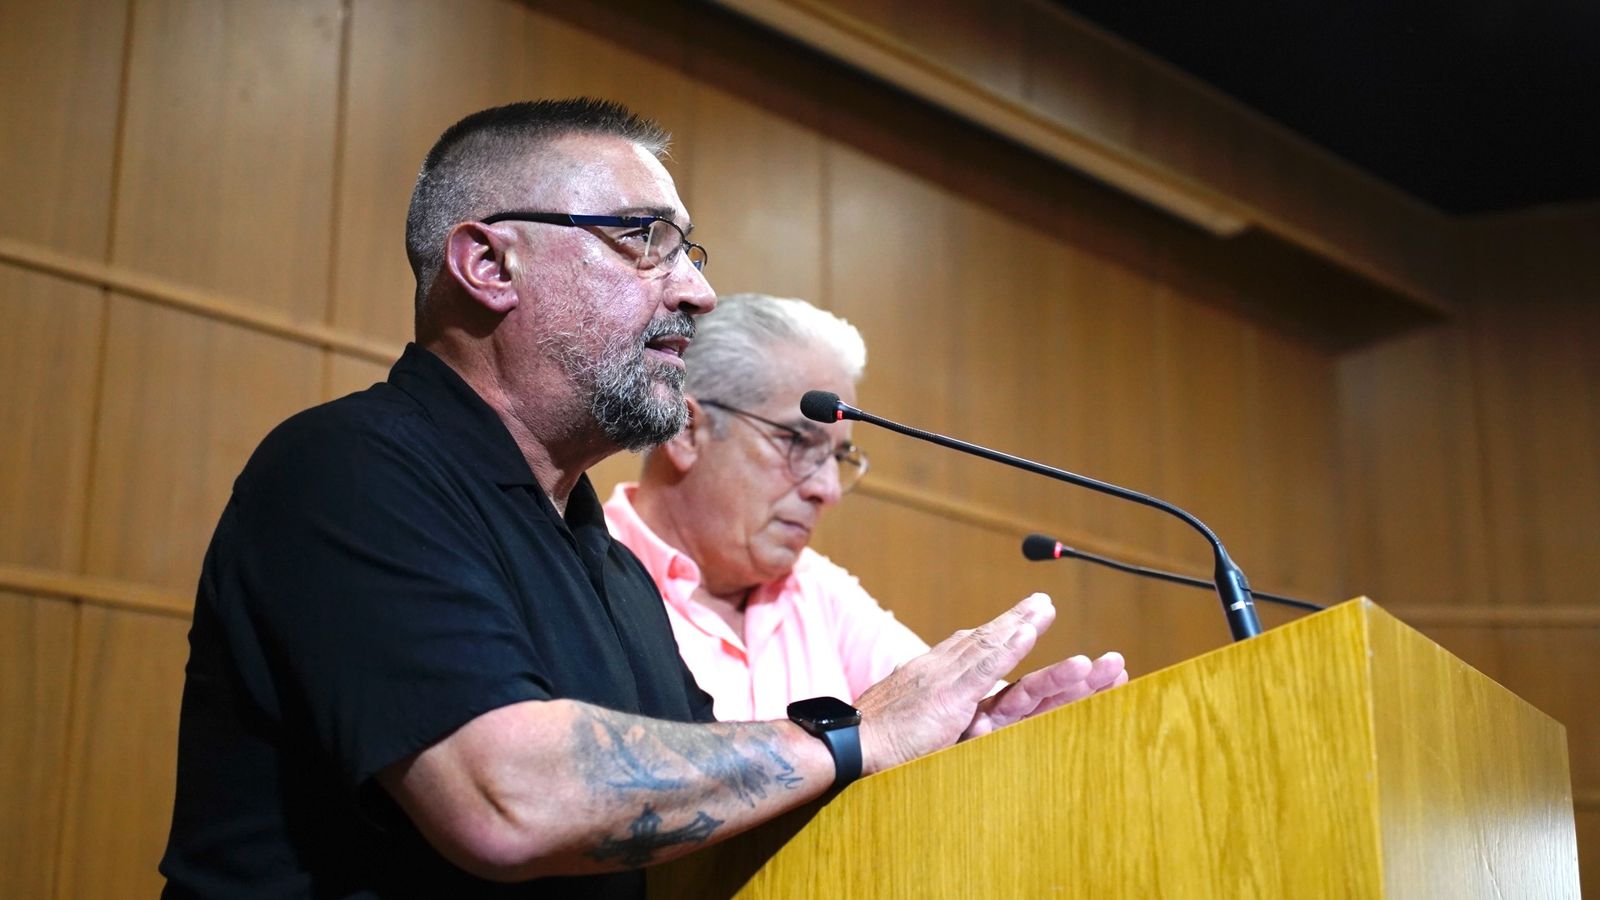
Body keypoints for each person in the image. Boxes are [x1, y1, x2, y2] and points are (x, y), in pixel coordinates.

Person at [159, 99, 1124, 899]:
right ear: (490, 265)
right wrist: (856, 734)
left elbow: (687, 808)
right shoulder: (350, 469)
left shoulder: (607, 564)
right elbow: (509, 801)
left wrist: (951, 754)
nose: (698, 292)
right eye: (643, 241)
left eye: (690, 251)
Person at [604, 294, 1127, 722]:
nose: (827, 490)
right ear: (688, 430)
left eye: (838, 456)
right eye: (798, 442)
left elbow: (935, 708)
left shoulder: (816, 587)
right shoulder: (580, 573)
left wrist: (987, 725)